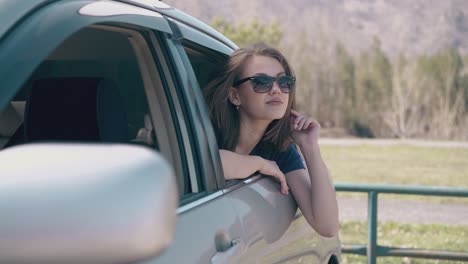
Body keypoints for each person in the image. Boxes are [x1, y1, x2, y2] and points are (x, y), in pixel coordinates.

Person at [203, 42, 339, 237]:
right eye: (261, 82)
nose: (276, 90)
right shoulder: (203, 132)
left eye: (284, 82)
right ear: (235, 96)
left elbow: (327, 226)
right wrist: (258, 164)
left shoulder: (280, 151)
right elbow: (204, 164)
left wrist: (310, 147)